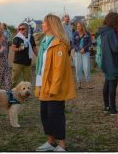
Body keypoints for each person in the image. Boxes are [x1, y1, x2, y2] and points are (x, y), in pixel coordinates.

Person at [35, 14, 76, 152]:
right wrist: (38, 85)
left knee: (56, 115)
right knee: (45, 114)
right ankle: (51, 141)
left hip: (54, 86)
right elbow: (41, 66)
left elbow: (59, 69)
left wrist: (55, 87)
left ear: (52, 25)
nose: (42, 25)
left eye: (45, 23)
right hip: (43, 84)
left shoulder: (59, 43)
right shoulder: (45, 41)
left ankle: (62, 144)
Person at [98, 12, 118, 115]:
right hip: (112, 63)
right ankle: (113, 110)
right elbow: (116, 48)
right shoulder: (111, 32)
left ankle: (107, 107)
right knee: (112, 86)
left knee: (107, 84)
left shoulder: (104, 31)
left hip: (107, 62)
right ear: (115, 21)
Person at [72, 20, 92, 89]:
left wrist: (84, 48)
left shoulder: (87, 33)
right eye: (77, 26)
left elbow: (90, 43)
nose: (78, 27)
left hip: (86, 52)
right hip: (77, 53)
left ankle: (89, 83)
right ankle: (79, 84)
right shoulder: (75, 33)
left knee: (86, 68)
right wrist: (79, 49)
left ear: (83, 26)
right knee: (78, 68)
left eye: (79, 26)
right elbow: (73, 44)